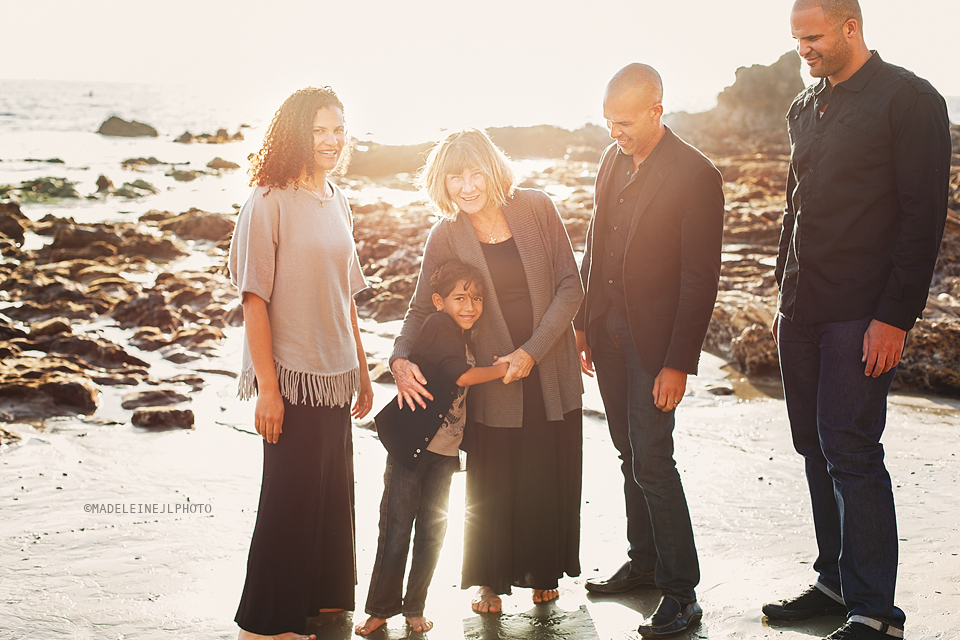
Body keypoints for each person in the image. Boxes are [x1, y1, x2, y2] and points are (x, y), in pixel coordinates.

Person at [762, 2, 951, 639]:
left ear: (851, 26)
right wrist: (781, 287)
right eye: (795, 39)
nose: (802, 49)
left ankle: (875, 613)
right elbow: (796, 202)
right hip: (803, 309)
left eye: (812, 37)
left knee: (852, 451)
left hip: (860, 314)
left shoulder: (909, 99)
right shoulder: (804, 107)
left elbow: (922, 216)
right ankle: (834, 581)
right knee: (813, 447)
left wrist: (894, 318)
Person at [389, 128, 584, 613]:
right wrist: (398, 358)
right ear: (443, 182)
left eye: (476, 173)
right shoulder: (446, 233)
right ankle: (489, 581)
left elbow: (570, 286)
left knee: (543, 471)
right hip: (491, 379)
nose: (468, 187)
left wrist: (531, 352)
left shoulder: (537, 208)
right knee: (491, 478)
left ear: (494, 170)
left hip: (548, 370)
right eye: (456, 177)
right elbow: (420, 308)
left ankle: (543, 570)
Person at [575, 63, 724, 638]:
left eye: (626, 123)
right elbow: (595, 240)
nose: (616, 133)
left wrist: (678, 363)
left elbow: (699, 279)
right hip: (608, 335)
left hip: (656, 347)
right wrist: (585, 323)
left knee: (653, 460)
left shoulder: (696, 175)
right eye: (609, 123)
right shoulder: (612, 160)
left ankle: (681, 592)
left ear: (658, 110)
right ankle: (643, 564)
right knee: (625, 452)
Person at [228, 86, 374, 640]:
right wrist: (268, 388)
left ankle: (323, 597)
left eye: (338, 129)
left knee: (331, 491)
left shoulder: (336, 198)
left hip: (335, 374)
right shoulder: (267, 200)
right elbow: (253, 299)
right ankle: (267, 624)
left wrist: (361, 369)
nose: (332, 140)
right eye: (319, 130)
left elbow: (347, 295)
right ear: (295, 134)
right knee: (289, 497)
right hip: (290, 374)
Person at [355, 260, 509, 636]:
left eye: (477, 297)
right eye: (460, 297)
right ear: (439, 301)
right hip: (412, 450)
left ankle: (414, 608)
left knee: (431, 533)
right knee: (396, 528)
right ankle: (380, 608)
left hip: (444, 454)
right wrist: (505, 367)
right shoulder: (439, 325)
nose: (470, 305)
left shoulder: (463, 334)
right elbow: (462, 376)